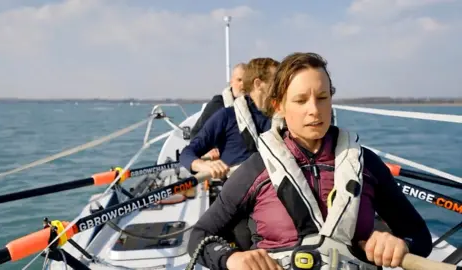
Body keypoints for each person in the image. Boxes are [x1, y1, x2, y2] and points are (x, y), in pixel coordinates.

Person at [187, 52, 432, 270]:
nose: (314, 110)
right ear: (279, 106)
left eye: (322, 97)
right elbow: (199, 236)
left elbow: (419, 235)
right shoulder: (256, 169)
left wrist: (401, 245)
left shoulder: (366, 164)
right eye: (301, 100)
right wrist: (232, 259)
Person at [180, 57, 280, 179]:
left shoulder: (282, 119)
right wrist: (203, 165)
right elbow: (186, 153)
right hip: (239, 193)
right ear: (258, 84)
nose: (280, 88)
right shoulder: (226, 116)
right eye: (276, 82)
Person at [190, 63, 247, 139]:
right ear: (231, 82)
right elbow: (196, 133)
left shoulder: (254, 107)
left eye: (246, 81)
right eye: (239, 80)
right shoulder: (218, 104)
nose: (243, 84)